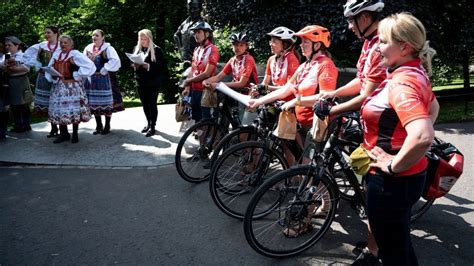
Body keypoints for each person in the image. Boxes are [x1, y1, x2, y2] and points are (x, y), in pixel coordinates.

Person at [360, 12, 438, 266]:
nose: (377, 47)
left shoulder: (402, 83)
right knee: (399, 243)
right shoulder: (412, 72)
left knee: (393, 252)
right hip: (408, 178)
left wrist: (393, 164)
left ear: (404, 47)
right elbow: (434, 107)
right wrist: (403, 142)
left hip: (391, 182)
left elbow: (423, 136)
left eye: (383, 42)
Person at [314, 1, 386, 263]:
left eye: (351, 20)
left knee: (375, 191)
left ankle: (375, 250)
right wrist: (333, 93)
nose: (348, 26)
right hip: (371, 124)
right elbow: (360, 79)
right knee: (368, 187)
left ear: (364, 18)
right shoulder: (369, 44)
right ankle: (374, 241)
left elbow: (367, 93)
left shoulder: (380, 45)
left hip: (385, 128)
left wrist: (334, 110)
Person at [249, 25, 338, 148]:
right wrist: (258, 101)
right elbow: (286, 90)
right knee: (295, 160)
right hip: (301, 122)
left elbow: (325, 97)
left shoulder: (326, 65)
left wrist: (296, 101)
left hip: (318, 123)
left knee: (310, 165)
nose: (301, 45)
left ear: (317, 46)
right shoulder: (304, 66)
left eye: (305, 42)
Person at [46, 35, 95, 144]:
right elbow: (49, 68)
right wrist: (52, 75)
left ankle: (75, 134)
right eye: (61, 43)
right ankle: (64, 134)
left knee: (73, 110)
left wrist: (77, 74)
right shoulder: (56, 54)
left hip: (72, 87)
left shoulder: (75, 54)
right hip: (58, 87)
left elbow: (90, 66)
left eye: (65, 43)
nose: (63, 44)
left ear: (71, 45)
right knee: (60, 110)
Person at [203, 32, 259, 124]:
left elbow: (242, 83)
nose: (238, 48)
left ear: (246, 46)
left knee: (242, 123)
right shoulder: (233, 60)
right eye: (236, 45)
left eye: (241, 45)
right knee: (223, 109)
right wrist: (206, 81)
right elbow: (218, 76)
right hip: (236, 92)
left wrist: (219, 85)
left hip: (248, 94)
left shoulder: (248, 59)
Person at [24, 26, 61, 138]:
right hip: (44, 76)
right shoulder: (41, 46)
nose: (46, 34)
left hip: (57, 77)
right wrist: (37, 65)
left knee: (58, 102)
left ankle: (61, 127)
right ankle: (53, 128)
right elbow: (27, 56)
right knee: (47, 103)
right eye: (45, 32)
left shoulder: (61, 45)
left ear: (56, 33)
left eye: (48, 32)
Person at [83, 29, 121, 135]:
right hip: (91, 79)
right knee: (94, 102)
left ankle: (107, 125)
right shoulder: (88, 48)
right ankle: (98, 125)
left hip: (104, 79)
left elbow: (115, 61)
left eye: (96, 35)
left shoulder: (108, 48)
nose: (94, 37)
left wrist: (106, 68)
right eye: (93, 35)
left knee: (106, 103)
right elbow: (83, 61)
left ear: (103, 37)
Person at [181, 21, 220, 122]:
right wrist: (187, 87)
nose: (196, 35)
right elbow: (192, 70)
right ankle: (201, 137)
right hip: (195, 90)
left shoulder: (213, 49)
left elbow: (207, 73)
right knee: (197, 121)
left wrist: (189, 81)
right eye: (195, 33)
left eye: (198, 32)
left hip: (206, 91)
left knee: (206, 122)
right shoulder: (197, 49)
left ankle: (209, 137)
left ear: (207, 34)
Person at [132, 29, 167, 137]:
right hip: (140, 81)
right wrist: (135, 66)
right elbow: (133, 65)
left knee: (152, 104)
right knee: (144, 104)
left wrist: (148, 66)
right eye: (141, 39)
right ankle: (148, 123)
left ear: (149, 38)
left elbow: (162, 67)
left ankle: (153, 126)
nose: (142, 41)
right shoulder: (137, 49)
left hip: (153, 82)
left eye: (145, 39)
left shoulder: (157, 50)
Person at [0, 36, 32, 133]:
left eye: (9, 45)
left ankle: (26, 124)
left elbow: (27, 68)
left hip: (21, 80)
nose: (7, 47)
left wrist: (13, 69)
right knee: (14, 105)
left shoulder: (23, 55)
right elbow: (1, 67)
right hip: (10, 81)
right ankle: (18, 125)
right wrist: (4, 66)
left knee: (23, 104)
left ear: (17, 45)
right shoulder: (6, 56)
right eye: (6, 45)